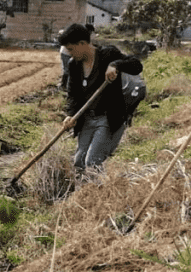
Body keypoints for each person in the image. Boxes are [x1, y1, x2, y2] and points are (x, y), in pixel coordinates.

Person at [60, 23, 143, 172]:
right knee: (79, 161)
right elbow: (73, 95)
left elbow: (136, 66)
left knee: (92, 162)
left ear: (82, 44)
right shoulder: (74, 65)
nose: (70, 54)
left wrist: (116, 65)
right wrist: (71, 115)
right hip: (87, 118)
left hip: (107, 118)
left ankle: (97, 192)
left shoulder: (107, 55)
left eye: (72, 49)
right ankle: (82, 192)